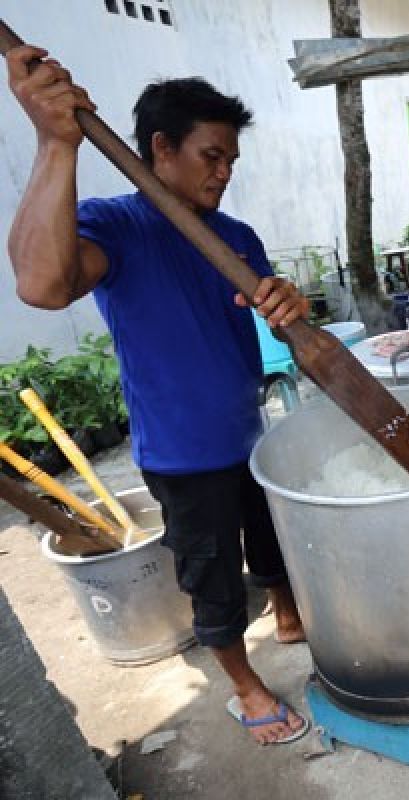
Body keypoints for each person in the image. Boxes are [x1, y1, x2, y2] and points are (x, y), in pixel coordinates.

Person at [6, 46, 311, 745]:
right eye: (211, 156)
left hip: (249, 435)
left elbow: (278, 323)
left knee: (271, 544)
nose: (225, 172)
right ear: (161, 149)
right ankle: (244, 682)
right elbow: (43, 287)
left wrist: (290, 305)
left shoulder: (236, 236)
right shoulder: (118, 225)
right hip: (181, 454)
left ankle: (289, 615)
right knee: (214, 581)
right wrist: (57, 144)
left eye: (231, 159)